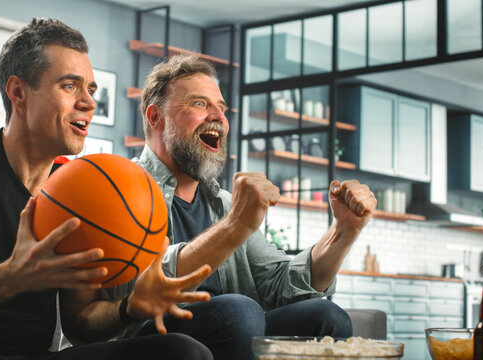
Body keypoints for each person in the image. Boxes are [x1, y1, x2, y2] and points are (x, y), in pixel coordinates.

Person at [0, 18, 214, 360]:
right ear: (18, 92)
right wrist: (11, 277)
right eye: (69, 86)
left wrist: (129, 308)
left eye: (90, 89)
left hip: (33, 354)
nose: (89, 103)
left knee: (182, 352)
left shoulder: (79, 185)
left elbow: (79, 325)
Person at [132, 54, 378, 360]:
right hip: (152, 335)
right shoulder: (126, 189)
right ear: (156, 117)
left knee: (327, 316)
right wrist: (234, 227)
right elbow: (138, 283)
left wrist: (343, 231)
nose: (218, 117)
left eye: (221, 108)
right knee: (240, 311)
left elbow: (280, 285)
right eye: (199, 104)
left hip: (232, 331)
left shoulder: (224, 204)